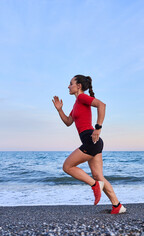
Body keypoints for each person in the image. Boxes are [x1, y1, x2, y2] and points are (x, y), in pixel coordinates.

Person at [52, 75, 126, 214]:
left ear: (79, 86)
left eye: (71, 83)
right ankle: (117, 206)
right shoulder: (76, 105)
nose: (68, 86)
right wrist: (59, 109)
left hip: (90, 139)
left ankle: (94, 185)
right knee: (99, 176)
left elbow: (101, 105)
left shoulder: (81, 98)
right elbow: (68, 122)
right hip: (94, 142)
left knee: (67, 166)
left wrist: (98, 127)